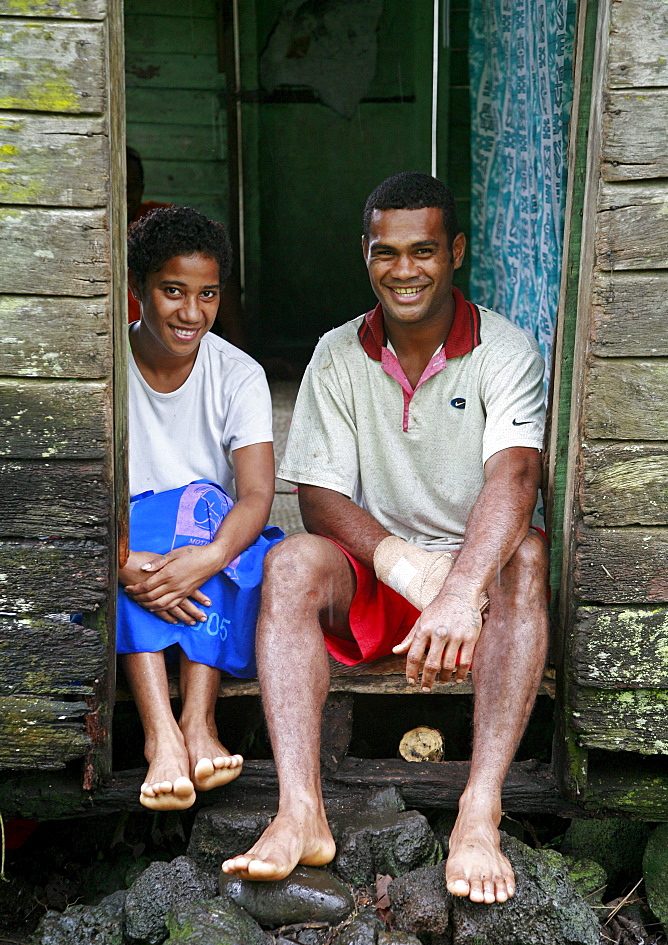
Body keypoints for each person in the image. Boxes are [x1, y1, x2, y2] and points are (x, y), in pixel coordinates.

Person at [222, 172, 549, 904]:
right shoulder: (337, 354)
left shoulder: (504, 349)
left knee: (525, 555)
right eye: (386, 251)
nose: (404, 270)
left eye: (424, 250)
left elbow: (517, 477)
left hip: (475, 589)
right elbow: (318, 497)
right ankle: (300, 810)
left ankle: (478, 811)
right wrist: (408, 568)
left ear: (456, 251)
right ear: (364, 254)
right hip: (383, 577)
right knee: (291, 562)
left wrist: (459, 587)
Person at [118, 205, 278, 811]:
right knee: (136, 525)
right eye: (172, 291)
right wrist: (119, 559)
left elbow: (257, 495)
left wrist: (206, 557)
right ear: (139, 289)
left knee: (217, 513)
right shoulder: (104, 369)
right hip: (127, 545)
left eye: (207, 294)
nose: (192, 312)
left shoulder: (239, 375)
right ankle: (162, 733)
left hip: (204, 546)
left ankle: (198, 721)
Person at [126, 147, 246, 348]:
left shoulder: (156, 221)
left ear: (143, 187)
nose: (127, 194)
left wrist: (241, 354)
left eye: (133, 186)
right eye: (120, 186)